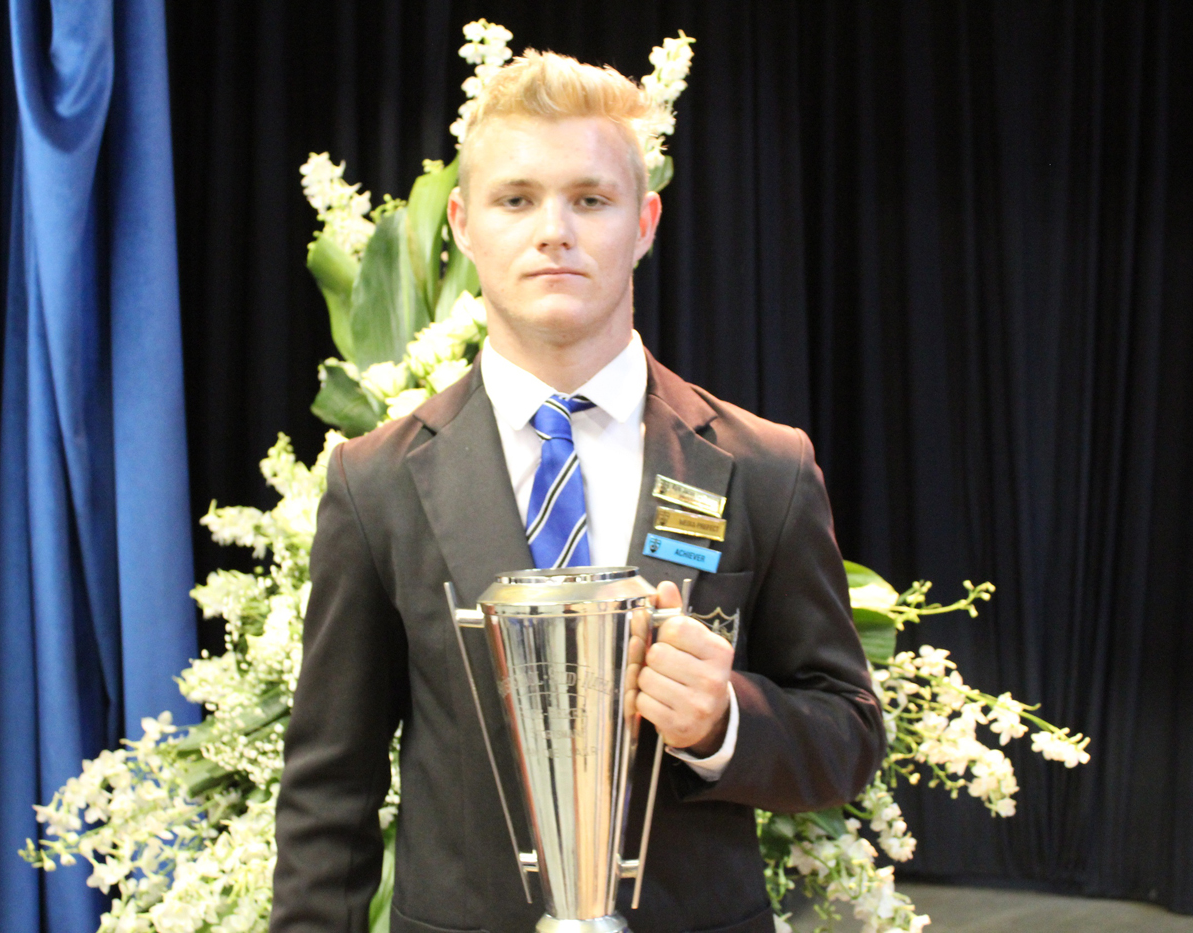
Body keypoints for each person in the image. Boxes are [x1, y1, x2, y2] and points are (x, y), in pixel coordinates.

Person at [272, 51, 885, 933]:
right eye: (516, 199)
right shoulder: (376, 483)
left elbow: (848, 736)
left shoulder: (766, 467)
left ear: (644, 222)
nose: (554, 230)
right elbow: (328, 795)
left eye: (590, 200)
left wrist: (725, 721)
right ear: (464, 225)